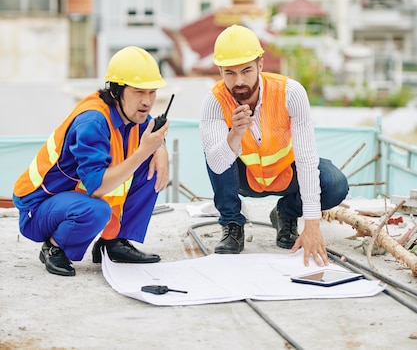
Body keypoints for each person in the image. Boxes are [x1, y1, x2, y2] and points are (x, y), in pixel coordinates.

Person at [13, 46, 170, 277]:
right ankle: (54, 248)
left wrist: (161, 149)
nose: (147, 101)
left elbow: (150, 132)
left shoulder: (133, 114)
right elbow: (97, 187)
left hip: (71, 199)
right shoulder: (93, 122)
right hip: (38, 209)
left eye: (152, 92)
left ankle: (114, 242)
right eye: (138, 92)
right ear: (117, 91)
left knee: (152, 167)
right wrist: (143, 152)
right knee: (97, 209)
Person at [199, 25, 349, 266]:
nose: (239, 82)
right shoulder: (214, 102)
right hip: (244, 178)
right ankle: (232, 224)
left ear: (260, 64)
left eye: (246, 70)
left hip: (285, 174)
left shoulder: (290, 92)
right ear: (220, 71)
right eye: (230, 73)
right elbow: (216, 164)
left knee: (335, 184)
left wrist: (312, 226)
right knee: (215, 149)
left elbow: (307, 158)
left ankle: (286, 213)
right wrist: (235, 134)